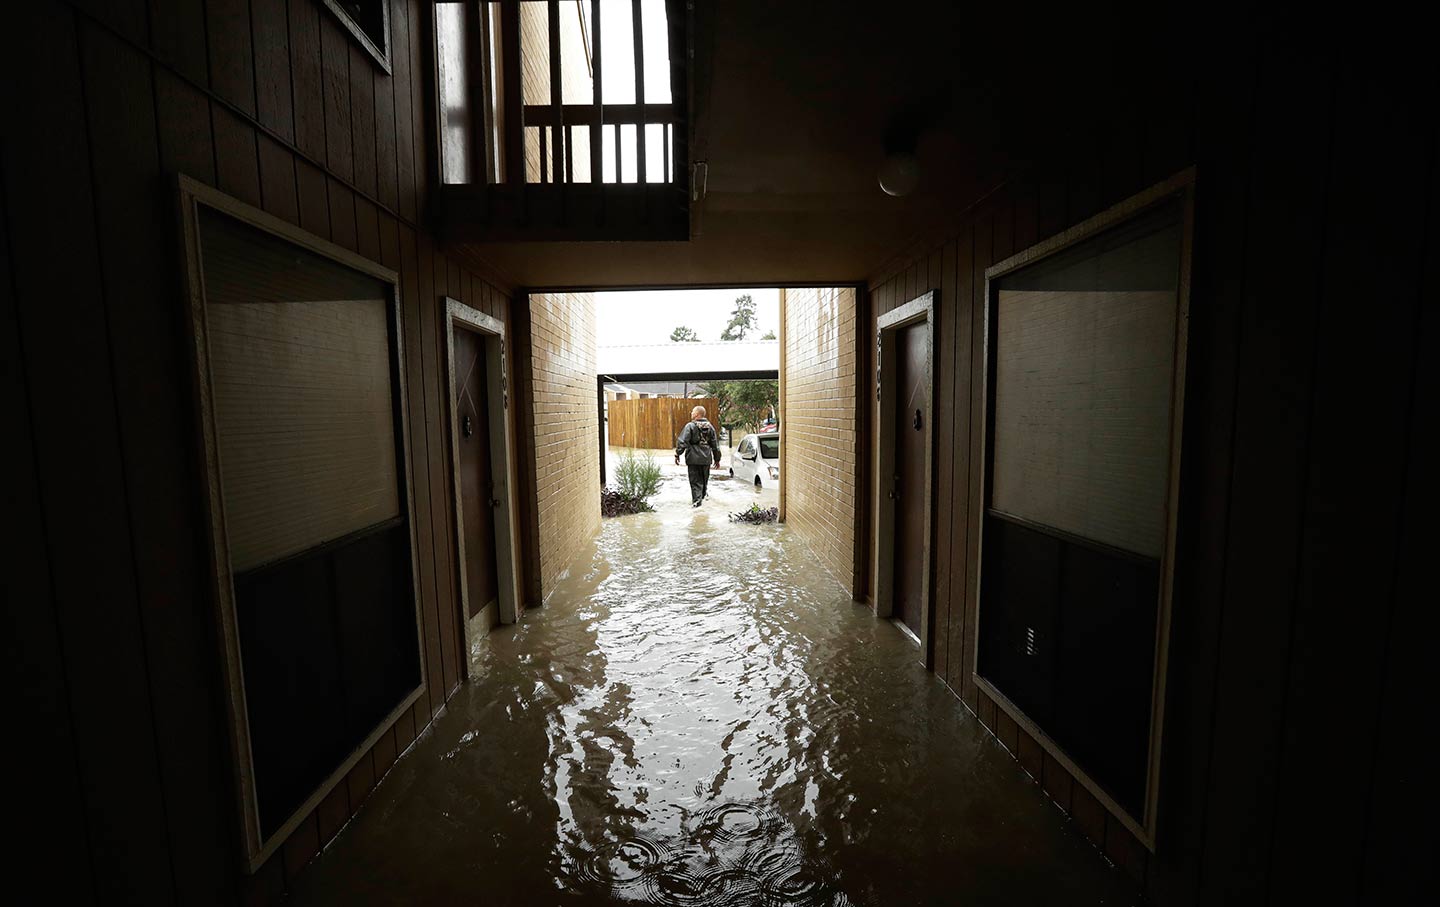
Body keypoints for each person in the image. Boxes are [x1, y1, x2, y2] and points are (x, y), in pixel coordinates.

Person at [675, 405, 722, 507]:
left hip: (693, 459)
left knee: (696, 484)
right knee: (704, 483)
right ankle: (703, 508)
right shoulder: (711, 427)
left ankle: (697, 507)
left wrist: (677, 454)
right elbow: (715, 445)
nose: (691, 413)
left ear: (697, 414)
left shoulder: (690, 426)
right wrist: (717, 459)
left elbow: (682, 442)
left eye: (692, 412)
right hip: (706, 460)